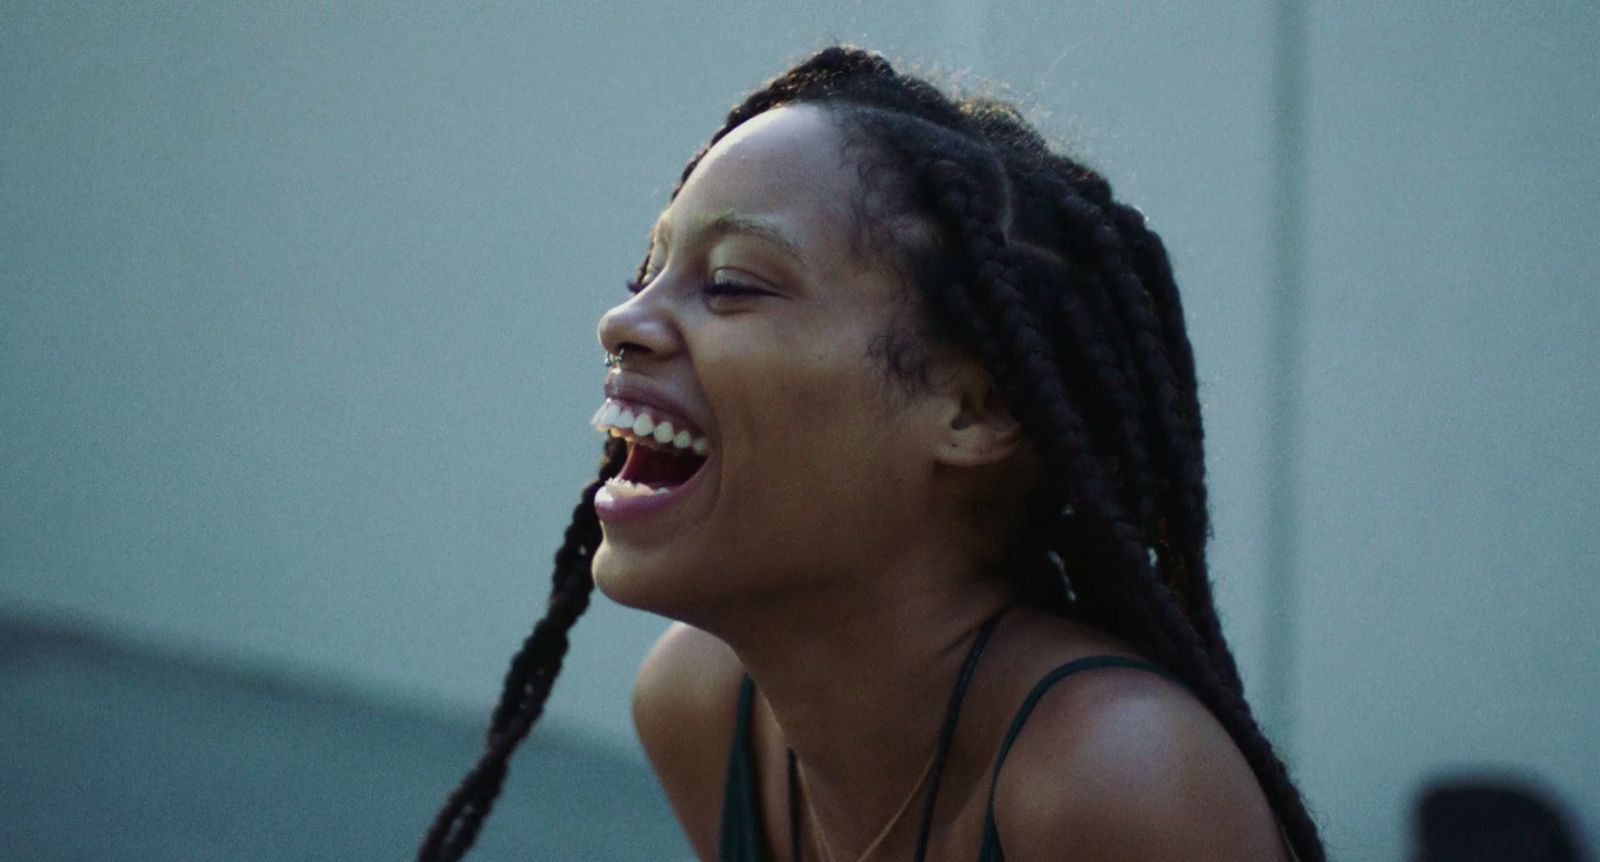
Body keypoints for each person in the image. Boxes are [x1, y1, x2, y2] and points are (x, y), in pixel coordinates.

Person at [418, 45, 1325, 862]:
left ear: (973, 410)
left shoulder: (1118, 783)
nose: (623, 321)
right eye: (647, 273)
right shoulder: (700, 707)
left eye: (731, 283)